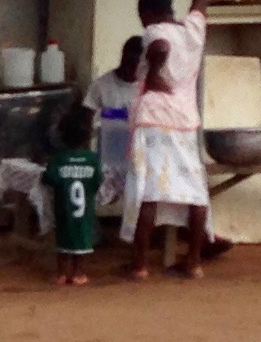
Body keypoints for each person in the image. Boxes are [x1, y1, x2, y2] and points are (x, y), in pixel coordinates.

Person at [125, 28, 213, 281]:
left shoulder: (156, 31)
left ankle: (141, 266)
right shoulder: (192, 29)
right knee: (196, 193)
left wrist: (154, 68)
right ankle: (193, 263)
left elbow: (160, 46)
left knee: (148, 193)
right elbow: (199, 4)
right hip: (184, 121)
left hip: (153, 120)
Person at [86, 33, 143, 232]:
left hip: (138, 155)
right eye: (130, 65)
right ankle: (92, 229)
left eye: (138, 66)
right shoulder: (102, 86)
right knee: (94, 186)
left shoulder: (146, 88)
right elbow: (85, 118)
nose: (133, 71)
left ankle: (139, 231)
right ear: (122, 59)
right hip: (108, 156)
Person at [46, 102, 104, 286]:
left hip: (63, 210)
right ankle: (79, 273)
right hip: (85, 211)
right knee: (83, 241)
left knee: (63, 240)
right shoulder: (93, 159)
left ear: (62, 136)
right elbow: (97, 181)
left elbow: (49, 178)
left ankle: (61, 274)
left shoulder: (59, 159)